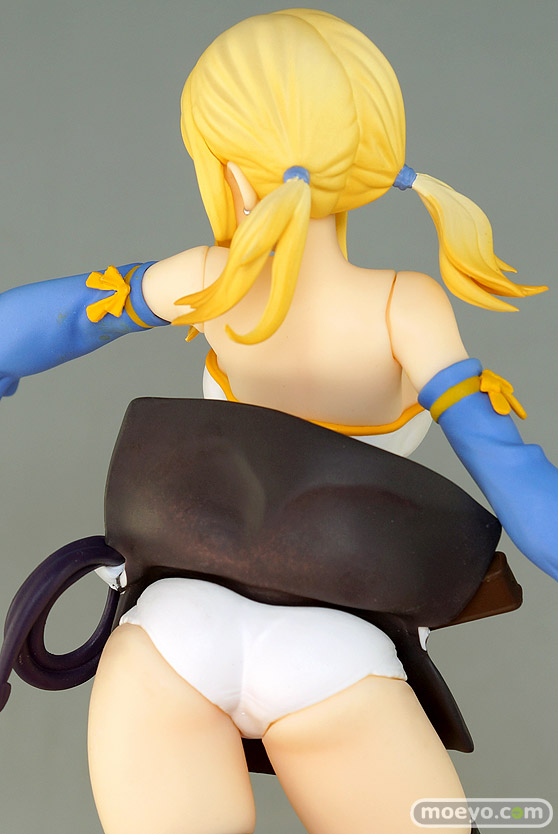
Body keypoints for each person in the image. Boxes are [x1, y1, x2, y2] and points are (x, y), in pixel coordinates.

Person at [1, 10, 557, 834]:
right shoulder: (405, 308)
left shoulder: (211, 280)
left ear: (229, 170)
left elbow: (39, 323)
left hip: (172, 633)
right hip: (337, 656)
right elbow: (517, 481)